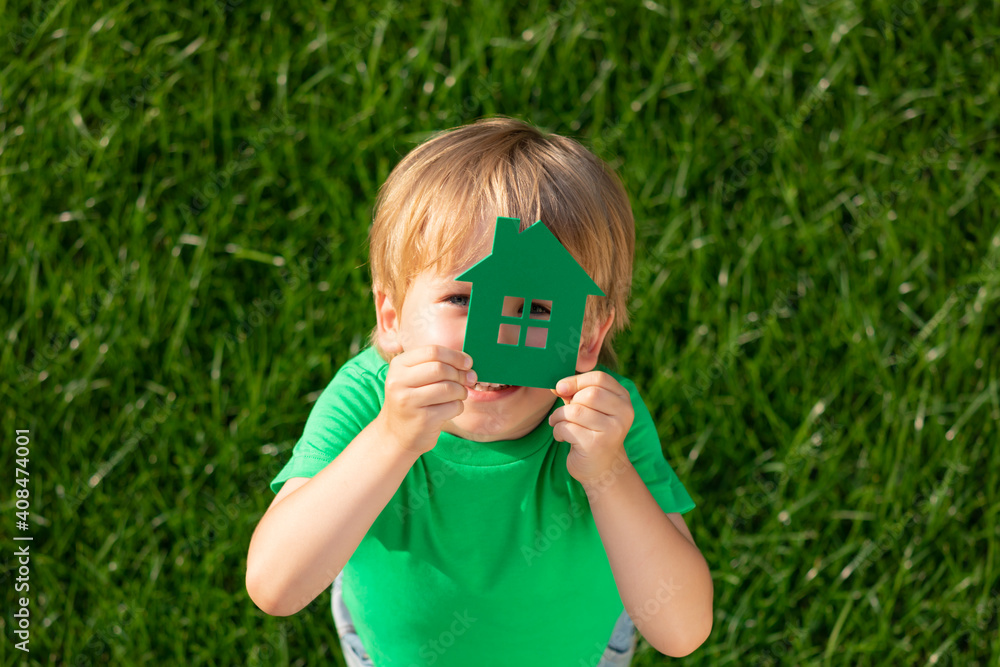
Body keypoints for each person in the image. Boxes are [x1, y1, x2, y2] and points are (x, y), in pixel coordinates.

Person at [246, 117, 713, 666]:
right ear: (390, 317)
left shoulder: (605, 422)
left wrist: (608, 472)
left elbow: (681, 630)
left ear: (589, 339)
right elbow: (276, 588)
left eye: (538, 309)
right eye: (462, 300)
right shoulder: (366, 400)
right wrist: (392, 440)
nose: (492, 336)